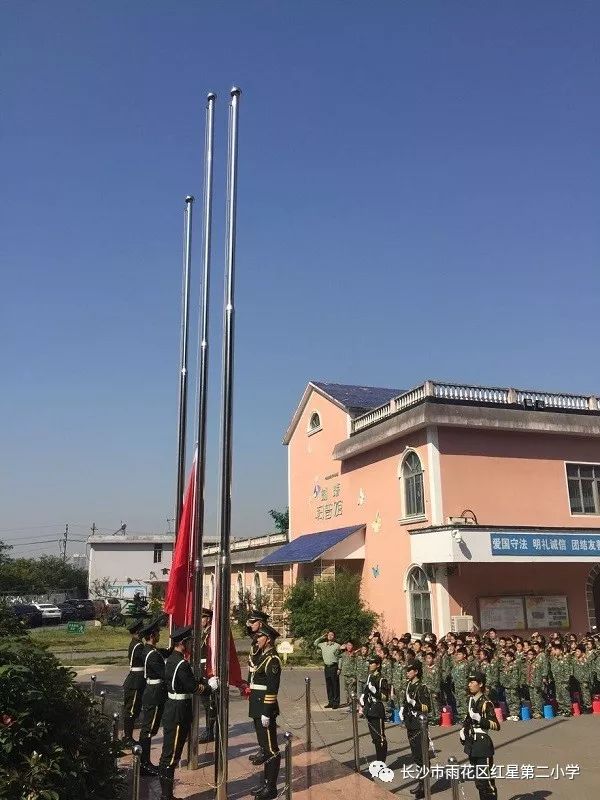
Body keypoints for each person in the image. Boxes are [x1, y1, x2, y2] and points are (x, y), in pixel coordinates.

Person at [158, 626, 218, 800]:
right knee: (171, 756)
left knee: (169, 753)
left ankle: (166, 794)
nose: (192, 645)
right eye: (190, 642)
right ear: (182, 644)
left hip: (173, 708)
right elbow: (192, 687)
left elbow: (186, 681)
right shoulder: (181, 664)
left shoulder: (172, 659)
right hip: (178, 712)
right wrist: (209, 687)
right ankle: (166, 796)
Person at [248, 623, 283, 800]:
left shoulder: (272, 660)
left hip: (264, 708)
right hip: (257, 707)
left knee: (271, 749)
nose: (257, 639)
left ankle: (271, 788)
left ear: (267, 639)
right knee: (265, 746)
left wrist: (267, 712)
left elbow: (272, 687)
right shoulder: (262, 656)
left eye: (259, 637)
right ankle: (266, 783)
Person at [138, 619, 172, 775]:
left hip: (152, 692)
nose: (159, 634)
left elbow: (164, 652)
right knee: (148, 730)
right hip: (154, 693)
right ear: (152, 635)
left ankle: (145, 762)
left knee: (149, 729)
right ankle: (144, 765)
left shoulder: (150, 650)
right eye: (157, 632)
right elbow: (163, 673)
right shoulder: (151, 654)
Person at [459, 670, 499, 800]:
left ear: (480, 684)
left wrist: (480, 720)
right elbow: (468, 720)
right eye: (469, 682)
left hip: (483, 745)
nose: (469, 684)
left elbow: (496, 725)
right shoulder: (471, 701)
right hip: (472, 744)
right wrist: (463, 731)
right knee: (478, 782)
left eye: (472, 682)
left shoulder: (486, 703)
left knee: (486, 782)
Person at [402, 660, 431, 800]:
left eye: (410, 670)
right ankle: (421, 783)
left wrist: (416, 704)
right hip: (410, 723)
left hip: (419, 725)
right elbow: (405, 700)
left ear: (416, 672)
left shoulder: (422, 687)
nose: (407, 672)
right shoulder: (409, 685)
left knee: (422, 756)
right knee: (415, 755)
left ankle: (424, 785)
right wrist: (403, 708)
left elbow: (427, 707)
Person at [359, 654, 388, 765]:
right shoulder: (370, 677)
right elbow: (366, 691)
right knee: (375, 738)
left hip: (377, 709)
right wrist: (363, 698)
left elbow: (385, 697)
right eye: (370, 663)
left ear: (378, 665)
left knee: (380, 737)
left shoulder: (382, 679)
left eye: (372, 663)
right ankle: (378, 759)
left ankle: (382, 761)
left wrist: (375, 691)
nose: (370, 665)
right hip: (369, 709)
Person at [122, 619, 146, 747]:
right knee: (130, 710)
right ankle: (127, 737)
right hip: (135, 681)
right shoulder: (138, 646)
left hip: (136, 679)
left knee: (133, 709)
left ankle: (128, 736)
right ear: (138, 631)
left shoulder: (136, 643)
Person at [199, 608, 217, 743]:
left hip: (208, 671)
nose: (201, 621)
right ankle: (208, 729)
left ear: (208, 619)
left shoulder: (211, 634)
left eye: (202, 618)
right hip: (202, 670)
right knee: (206, 704)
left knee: (210, 704)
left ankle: (210, 731)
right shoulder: (203, 633)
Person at [313, 630, 341, 708]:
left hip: (334, 667)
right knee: (329, 685)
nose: (330, 636)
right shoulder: (323, 644)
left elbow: (340, 658)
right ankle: (330, 702)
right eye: (329, 635)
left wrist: (340, 668)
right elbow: (315, 643)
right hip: (327, 667)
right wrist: (322, 637)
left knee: (335, 685)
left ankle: (336, 702)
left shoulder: (337, 645)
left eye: (332, 635)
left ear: (334, 637)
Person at [338, 641, 357, 708]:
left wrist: (355, 676)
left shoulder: (355, 654)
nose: (349, 647)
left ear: (353, 646)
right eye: (348, 645)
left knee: (352, 691)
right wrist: (340, 648)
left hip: (352, 675)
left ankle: (353, 706)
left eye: (350, 645)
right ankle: (348, 704)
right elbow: (336, 655)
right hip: (345, 675)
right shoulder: (344, 654)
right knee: (347, 690)